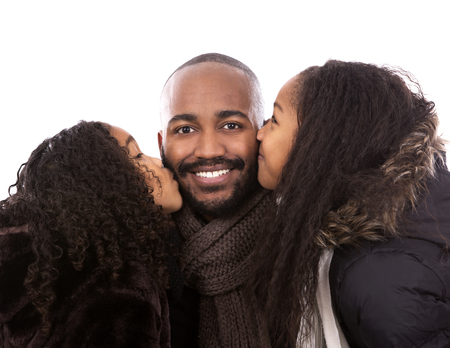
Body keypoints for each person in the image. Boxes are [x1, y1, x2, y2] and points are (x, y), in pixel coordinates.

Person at [250, 60, 450, 347]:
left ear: (318, 144)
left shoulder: (378, 281)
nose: (259, 133)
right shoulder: (422, 201)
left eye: (274, 120)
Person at [0, 121, 183, 347]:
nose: (158, 162)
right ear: (104, 185)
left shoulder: (42, 280)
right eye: (137, 157)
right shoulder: (116, 289)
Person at [158, 53, 272, 347]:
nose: (208, 151)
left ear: (263, 131)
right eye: (185, 129)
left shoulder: (311, 239)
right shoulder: (129, 257)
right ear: (162, 144)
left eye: (231, 125)